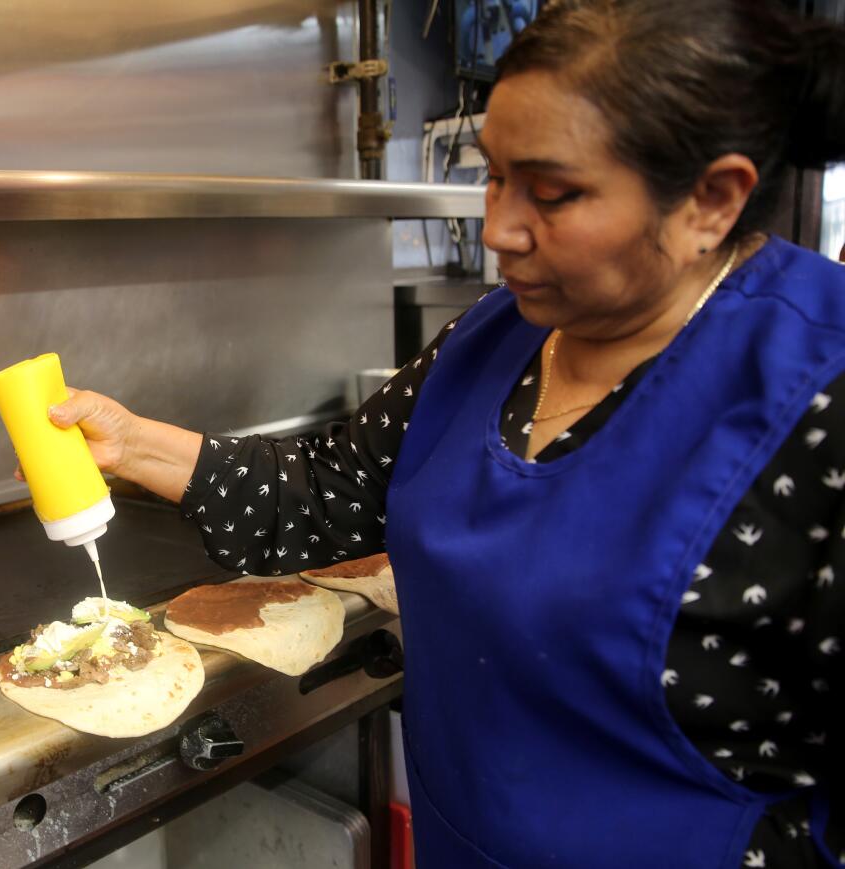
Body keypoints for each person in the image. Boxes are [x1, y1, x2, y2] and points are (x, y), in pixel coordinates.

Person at [43, 1, 845, 864]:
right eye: (494, 176)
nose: (498, 228)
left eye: (553, 192)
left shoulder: (816, 393)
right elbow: (331, 491)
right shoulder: (495, 334)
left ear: (710, 201)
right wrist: (133, 445)